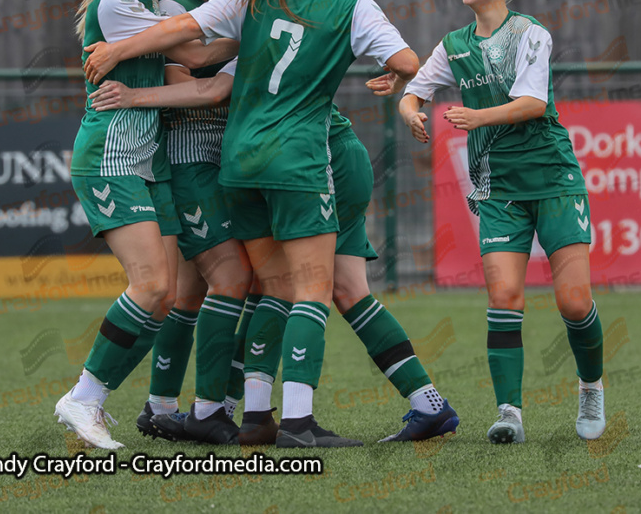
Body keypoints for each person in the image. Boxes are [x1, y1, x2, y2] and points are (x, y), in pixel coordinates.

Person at [82, 0, 419, 447]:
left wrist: (124, 56)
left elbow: (197, 51)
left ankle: (232, 412)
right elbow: (408, 62)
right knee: (297, 289)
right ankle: (287, 420)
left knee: (240, 286)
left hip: (235, 159)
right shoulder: (335, 0)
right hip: (284, 159)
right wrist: (399, 82)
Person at [90, 79, 460, 445]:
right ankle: (425, 402)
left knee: (281, 286)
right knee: (328, 289)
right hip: (292, 157)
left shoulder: (249, 24)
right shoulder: (260, 25)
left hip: (307, 158)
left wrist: (134, 64)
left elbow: (211, 74)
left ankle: (271, 418)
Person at [378, 0, 606, 444]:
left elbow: (531, 103)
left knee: (574, 302)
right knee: (504, 298)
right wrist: (410, 111)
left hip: (552, 178)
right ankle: (510, 413)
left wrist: (476, 117)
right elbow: (416, 91)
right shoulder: (454, 45)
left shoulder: (531, 34)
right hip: (497, 187)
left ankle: (591, 387)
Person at [54, 0, 237, 450]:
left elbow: (198, 56)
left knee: (165, 296)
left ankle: (97, 398)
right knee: (153, 285)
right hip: (110, 161)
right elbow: (201, 55)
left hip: (147, 166)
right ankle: (83, 397)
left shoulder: (147, 1)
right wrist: (263, 29)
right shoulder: (115, 3)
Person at [134, 0, 256, 445]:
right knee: (234, 280)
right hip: (191, 157)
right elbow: (190, 83)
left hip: (218, 156)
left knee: (188, 292)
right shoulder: (172, 9)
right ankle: (213, 408)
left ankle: (161, 404)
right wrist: (257, 36)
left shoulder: (207, 3)